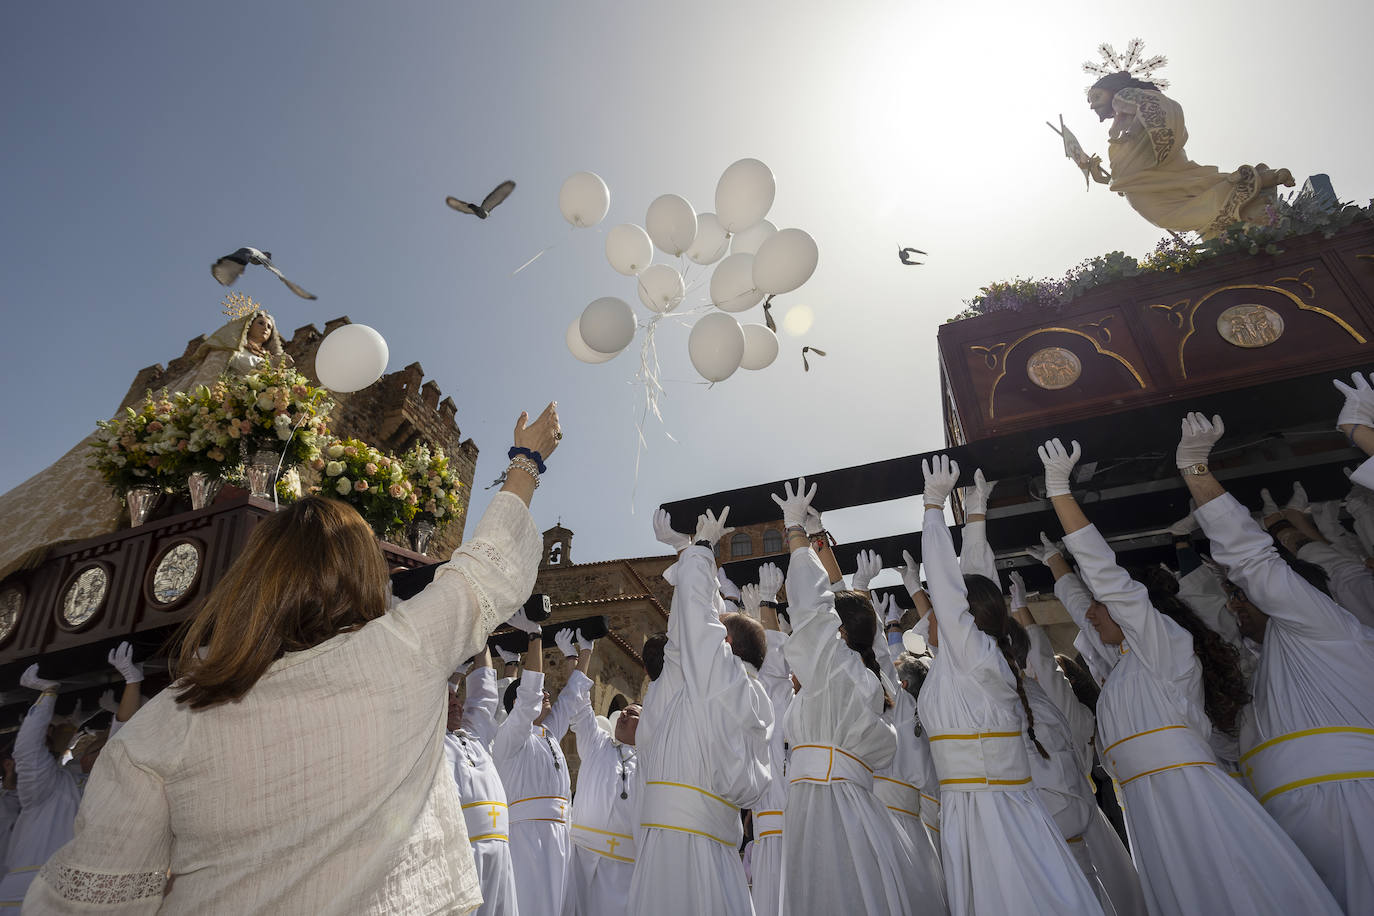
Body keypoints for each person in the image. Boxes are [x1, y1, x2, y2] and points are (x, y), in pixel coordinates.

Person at [25, 403, 560, 914]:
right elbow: (486, 570)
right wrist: (526, 462)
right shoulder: (400, 654)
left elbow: (90, 899)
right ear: (362, 580)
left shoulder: (165, 723)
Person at [1037, 435, 1341, 915]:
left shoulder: (1165, 648)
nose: (1091, 617)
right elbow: (1088, 604)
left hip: (1190, 798)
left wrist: (1061, 495)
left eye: (1102, 608)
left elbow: (1108, 581)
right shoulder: (1125, 668)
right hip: (1148, 806)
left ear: (1137, 610)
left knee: (1230, 895)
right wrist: (1056, 567)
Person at [1181, 409, 1374, 913]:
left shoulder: (1324, 627)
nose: (1235, 606)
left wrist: (1198, 473)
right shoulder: (1262, 664)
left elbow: (1256, 563)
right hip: (1287, 820)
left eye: (1241, 599)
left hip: (1349, 802)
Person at [917, 455, 1103, 916]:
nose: (930, 621)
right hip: (972, 813)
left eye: (939, 614)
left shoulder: (978, 659)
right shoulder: (972, 659)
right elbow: (976, 584)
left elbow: (951, 587)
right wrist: (975, 518)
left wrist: (933, 510)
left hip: (992, 815)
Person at [771, 478, 943, 915]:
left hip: (827, 804)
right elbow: (857, 627)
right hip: (839, 800)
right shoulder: (873, 679)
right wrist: (819, 541)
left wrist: (796, 534)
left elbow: (815, 608)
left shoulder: (842, 671)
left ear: (839, 634)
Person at [629, 508, 772, 916]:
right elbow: (689, 636)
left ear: (725, 642)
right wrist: (685, 551)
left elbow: (696, 628)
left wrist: (703, 550)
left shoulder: (722, 679)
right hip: (706, 844)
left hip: (680, 847)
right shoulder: (736, 690)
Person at [1084, 69, 1292, 237]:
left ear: (1112, 89)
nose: (1093, 104)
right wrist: (1097, 174)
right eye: (1090, 100)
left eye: (1096, 96)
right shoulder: (1121, 116)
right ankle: (1247, 203)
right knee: (1193, 190)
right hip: (1143, 178)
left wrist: (1139, 135)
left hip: (1151, 166)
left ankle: (1252, 190)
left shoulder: (1123, 96)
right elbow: (1120, 180)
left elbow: (1149, 108)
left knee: (1173, 212)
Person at [493, 626, 581, 916]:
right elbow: (530, 694)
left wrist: (578, 655)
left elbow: (570, 702)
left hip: (559, 835)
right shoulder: (510, 737)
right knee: (532, 904)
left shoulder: (548, 735)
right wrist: (534, 638)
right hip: (528, 838)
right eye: (538, 692)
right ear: (519, 705)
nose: (546, 694)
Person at [0, 666, 99, 906]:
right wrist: (47, 695)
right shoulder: (37, 791)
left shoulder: (59, 786)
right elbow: (30, 752)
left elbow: (41, 758)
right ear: (8, 764)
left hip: (57, 892)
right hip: (22, 894)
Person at [562, 631, 639, 916]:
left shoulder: (650, 761)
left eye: (634, 714)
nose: (626, 715)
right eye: (624, 712)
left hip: (625, 869)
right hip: (583, 858)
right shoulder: (597, 745)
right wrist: (579, 656)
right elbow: (579, 705)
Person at [445, 647, 517, 916]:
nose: (456, 703)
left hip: (500, 849)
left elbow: (485, 696)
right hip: (464, 851)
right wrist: (452, 678)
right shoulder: (434, 743)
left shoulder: (475, 737)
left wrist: (481, 639)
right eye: (448, 699)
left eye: (457, 699)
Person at [741, 561, 789, 916]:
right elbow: (772, 676)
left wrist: (765, 608)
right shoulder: (764, 699)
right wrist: (764, 608)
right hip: (768, 834)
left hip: (789, 832)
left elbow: (774, 675)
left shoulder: (781, 700)